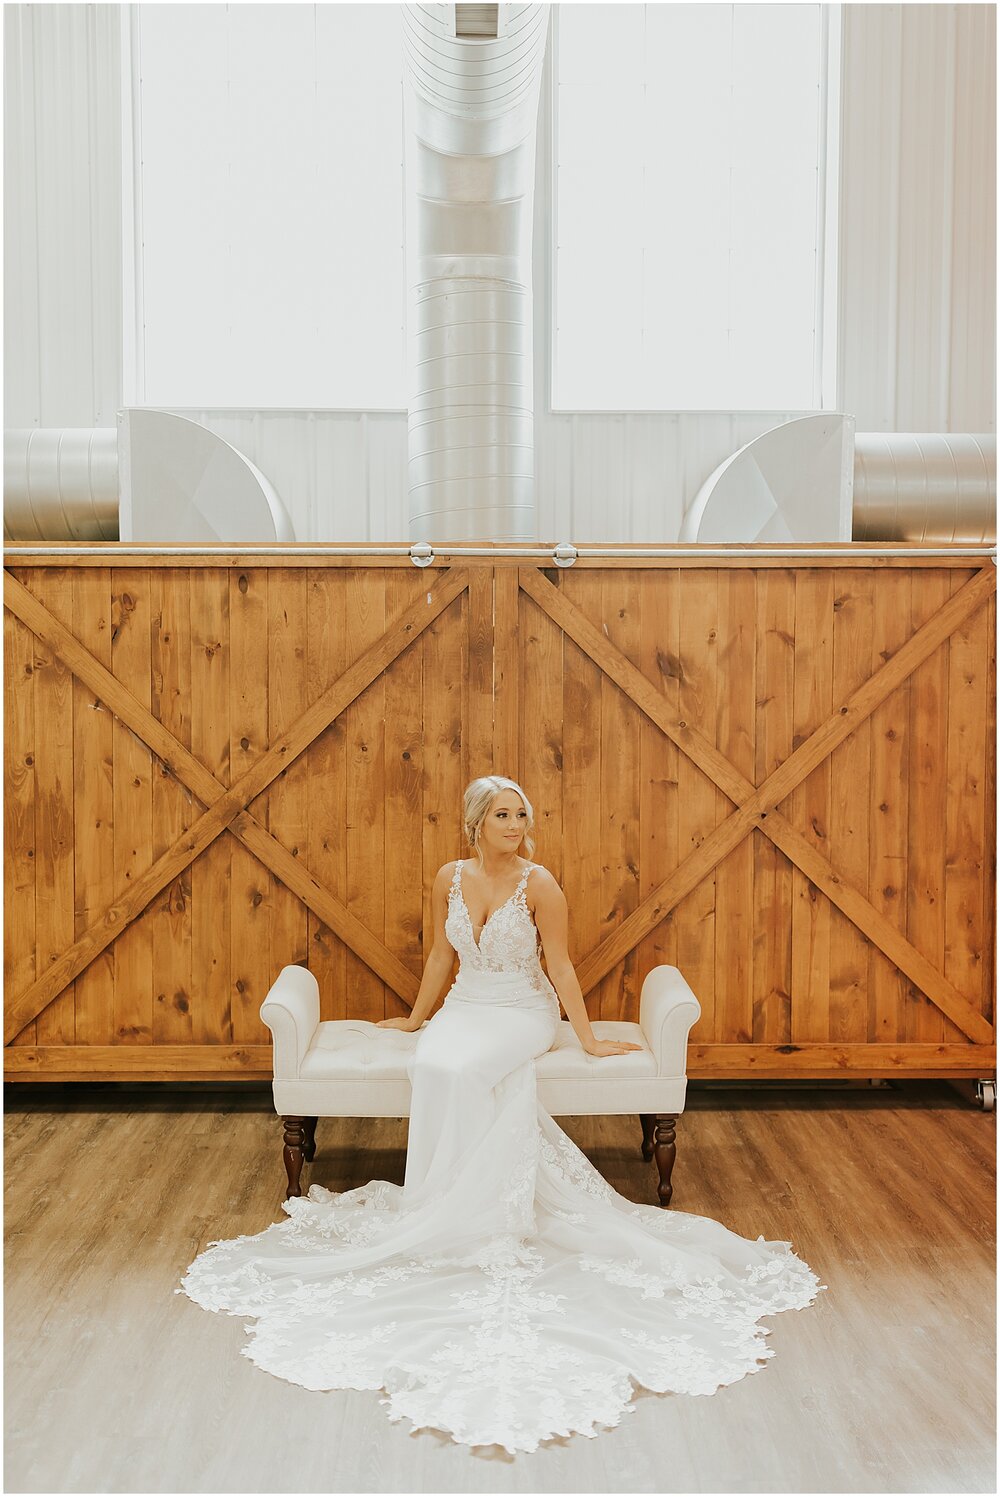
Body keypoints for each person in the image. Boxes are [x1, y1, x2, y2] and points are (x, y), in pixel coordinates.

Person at [177, 774, 825, 1453]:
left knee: (459, 1068)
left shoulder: (541, 885)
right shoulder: (448, 877)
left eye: (522, 813)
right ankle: (436, 1201)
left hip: (521, 1011)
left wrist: (590, 1038)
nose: (516, 824)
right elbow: (438, 954)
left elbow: (563, 966)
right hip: (465, 1005)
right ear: (476, 822)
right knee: (433, 1062)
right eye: (502, 814)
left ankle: (474, 1210)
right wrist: (417, 1017)